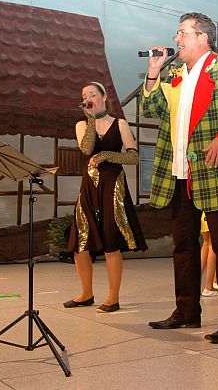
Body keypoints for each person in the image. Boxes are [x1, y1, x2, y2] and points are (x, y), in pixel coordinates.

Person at [141, 12, 218, 344]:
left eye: (182, 33)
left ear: (203, 38)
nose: (176, 38)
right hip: (180, 173)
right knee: (183, 246)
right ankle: (186, 311)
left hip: (213, 172)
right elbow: (150, 109)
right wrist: (153, 71)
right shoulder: (176, 74)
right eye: (178, 33)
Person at [65, 82, 147, 313]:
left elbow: (133, 157)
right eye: (84, 95)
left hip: (113, 187)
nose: (88, 98)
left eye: (92, 94)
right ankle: (86, 294)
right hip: (89, 187)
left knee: (112, 242)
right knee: (81, 242)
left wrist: (108, 155)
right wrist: (91, 119)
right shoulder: (82, 124)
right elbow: (86, 148)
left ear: (103, 97)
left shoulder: (119, 123)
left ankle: (113, 297)